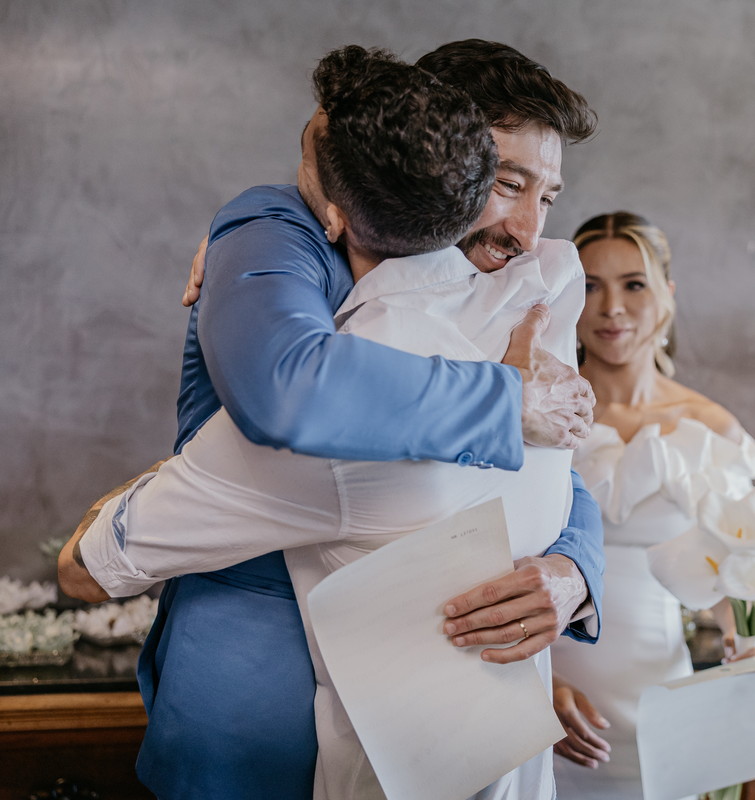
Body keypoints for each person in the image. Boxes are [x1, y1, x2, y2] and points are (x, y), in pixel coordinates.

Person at [61, 43, 604, 799]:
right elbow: (292, 393)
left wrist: (575, 569)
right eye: (507, 183)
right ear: (430, 149)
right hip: (247, 697)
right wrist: (505, 402)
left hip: (436, 736)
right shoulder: (276, 231)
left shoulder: (522, 299)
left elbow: (556, 469)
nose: (526, 230)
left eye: (547, 197)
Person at [545, 212, 755, 800]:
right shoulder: (534, 409)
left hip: (661, 701)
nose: (612, 308)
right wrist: (537, 683)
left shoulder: (709, 428)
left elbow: (726, 579)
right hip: (549, 696)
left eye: (634, 284)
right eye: (590, 286)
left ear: (667, 295)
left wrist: (746, 640)